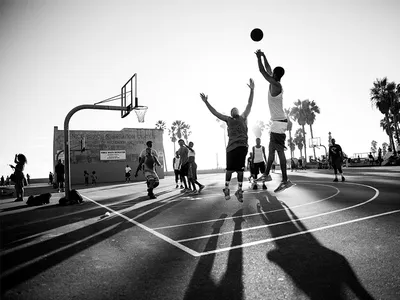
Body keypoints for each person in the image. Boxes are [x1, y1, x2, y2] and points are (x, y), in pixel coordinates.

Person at [200, 78, 254, 202]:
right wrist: (206, 102)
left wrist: (252, 90)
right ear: (230, 113)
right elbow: (215, 112)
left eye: (236, 110)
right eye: (232, 110)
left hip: (242, 146)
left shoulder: (243, 117)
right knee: (229, 170)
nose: (234, 110)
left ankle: (239, 190)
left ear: (238, 112)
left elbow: (249, 104)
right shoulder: (228, 120)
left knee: (241, 170)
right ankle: (226, 188)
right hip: (231, 148)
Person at [254, 49, 294, 193]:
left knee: (279, 151)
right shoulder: (275, 82)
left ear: (275, 76)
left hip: (279, 123)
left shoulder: (276, 85)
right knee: (271, 150)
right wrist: (264, 56)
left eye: (273, 74)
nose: (271, 74)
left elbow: (262, 71)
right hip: (277, 123)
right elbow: (269, 69)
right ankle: (266, 175)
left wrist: (258, 58)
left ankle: (285, 180)